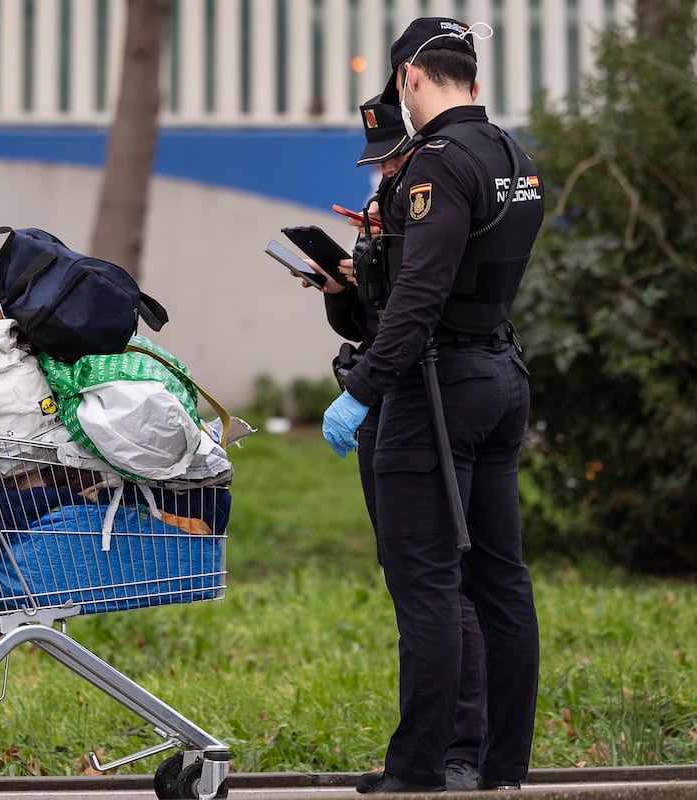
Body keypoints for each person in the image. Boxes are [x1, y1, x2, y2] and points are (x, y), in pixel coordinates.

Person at [320, 18, 544, 793]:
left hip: (437, 389)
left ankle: (416, 771)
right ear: (474, 81)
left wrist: (362, 390)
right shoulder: (514, 156)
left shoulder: (437, 167)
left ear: (412, 79)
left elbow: (420, 298)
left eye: (401, 90)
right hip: (499, 374)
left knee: (428, 586)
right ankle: (502, 766)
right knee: (501, 580)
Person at [299, 95, 488, 793]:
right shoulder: (391, 208)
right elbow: (370, 322)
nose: (387, 174)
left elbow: (418, 314)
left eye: (395, 158)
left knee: (439, 586)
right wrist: (338, 287)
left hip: (424, 397)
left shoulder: (440, 197)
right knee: (415, 584)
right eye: (379, 163)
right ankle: (441, 754)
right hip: (388, 399)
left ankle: (457, 752)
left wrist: (361, 393)